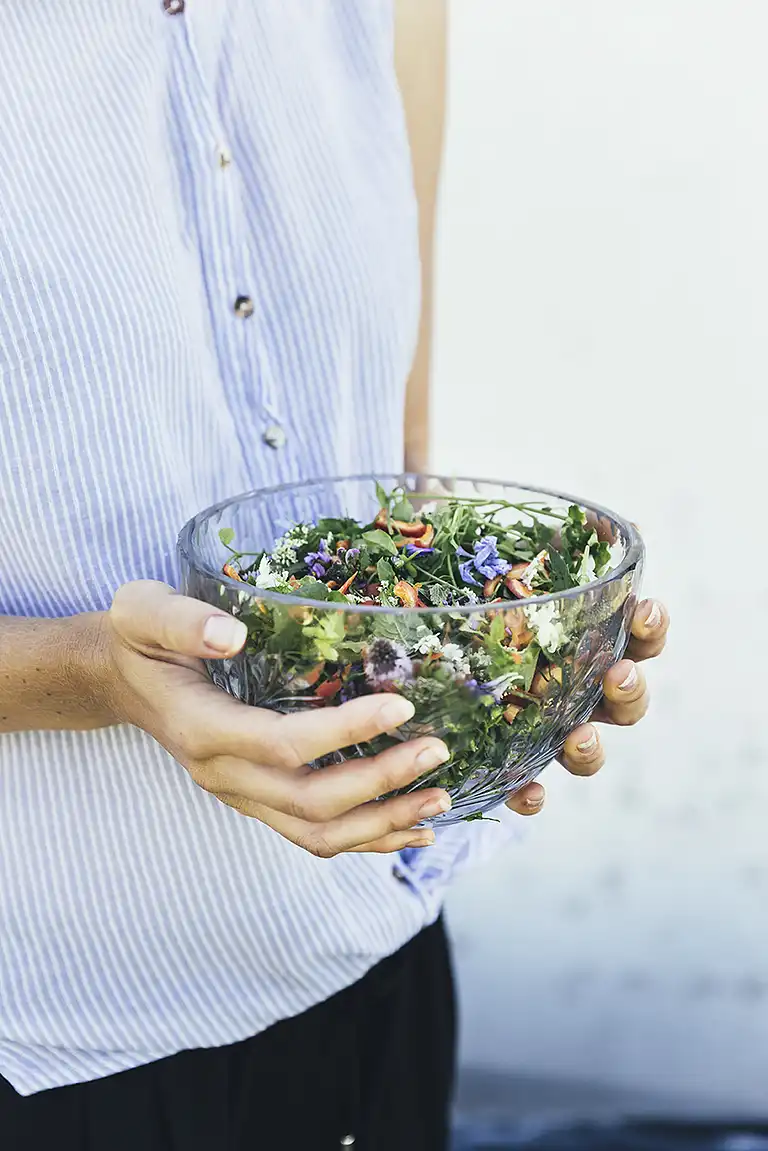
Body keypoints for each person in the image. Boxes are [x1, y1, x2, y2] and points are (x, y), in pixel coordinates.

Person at [0, 3, 669, 1149]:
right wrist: (90, 672)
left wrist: (499, 671)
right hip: (59, 1025)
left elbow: (390, 479)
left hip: (372, 948)